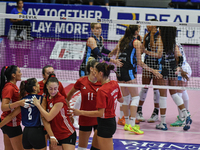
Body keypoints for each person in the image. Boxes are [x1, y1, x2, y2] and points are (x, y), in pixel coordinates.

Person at [116, 25, 162, 135]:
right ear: (136, 32)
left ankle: (127, 123)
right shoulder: (136, 42)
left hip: (119, 72)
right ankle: (132, 124)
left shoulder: (121, 40)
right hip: (129, 72)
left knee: (125, 98)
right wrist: (153, 71)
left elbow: (117, 57)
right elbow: (140, 62)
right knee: (135, 97)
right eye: (139, 30)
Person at [146, 26, 192, 131]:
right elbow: (179, 57)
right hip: (173, 70)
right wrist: (178, 68)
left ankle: (163, 123)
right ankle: (186, 115)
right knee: (174, 93)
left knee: (163, 96)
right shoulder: (173, 42)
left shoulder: (161, 41)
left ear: (163, 31)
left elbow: (158, 55)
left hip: (163, 70)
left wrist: (146, 52)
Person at [71, 62, 123, 150]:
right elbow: (121, 100)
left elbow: (100, 113)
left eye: (96, 73)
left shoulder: (102, 90)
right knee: (95, 148)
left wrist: (80, 112)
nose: (95, 75)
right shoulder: (114, 83)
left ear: (101, 73)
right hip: (108, 122)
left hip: (105, 124)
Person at [0, 78, 58, 149]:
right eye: (37, 84)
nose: (39, 85)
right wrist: (51, 135)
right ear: (34, 88)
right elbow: (43, 118)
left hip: (26, 133)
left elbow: (11, 116)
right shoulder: (41, 99)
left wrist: (0, 125)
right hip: (37, 132)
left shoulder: (23, 101)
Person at [32, 74, 76, 150]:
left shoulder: (60, 100)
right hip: (55, 134)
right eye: (51, 89)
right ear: (47, 87)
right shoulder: (47, 98)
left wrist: (38, 105)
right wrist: (51, 135)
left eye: (55, 88)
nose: (53, 91)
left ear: (58, 87)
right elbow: (44, 118)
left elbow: (48, 117)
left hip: (67, 133)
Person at [67, 57, 101, 150]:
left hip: (99, 117)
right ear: (91, 69)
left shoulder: (102, 82)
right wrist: (68, 110)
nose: (99, 70)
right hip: (85, 118)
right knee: (82, 147)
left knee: (97, 146)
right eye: (97, 67)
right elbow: (69, 95)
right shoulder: (82, 81)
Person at [137, 19, 161, 123]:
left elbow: (153, 47)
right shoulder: (146, 35)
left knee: (156, 90)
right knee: (145, 88)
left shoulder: (159, 36)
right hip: (147, 63)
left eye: (149, 24)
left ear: (154, 26)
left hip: (158, 65)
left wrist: (146, 50)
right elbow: (143, 49)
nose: (147, 25)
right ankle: (139, 110)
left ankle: (156, 112)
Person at [0, 65, 28, 150]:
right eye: (19, 72)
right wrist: (19, 103)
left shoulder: (12, 86)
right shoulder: (9, 88)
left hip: (7, 123)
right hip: (12, 124)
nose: (21, 73)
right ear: (13, 75)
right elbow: (3, 107)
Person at [170, 43, 192, 127]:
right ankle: (186, 112)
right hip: (186, 67)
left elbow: (178, 58)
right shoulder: (177, 43)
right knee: (183, 91)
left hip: (182, 70)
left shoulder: (173, 45)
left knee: (178, 93)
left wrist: (180, 70)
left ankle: (182, 118)